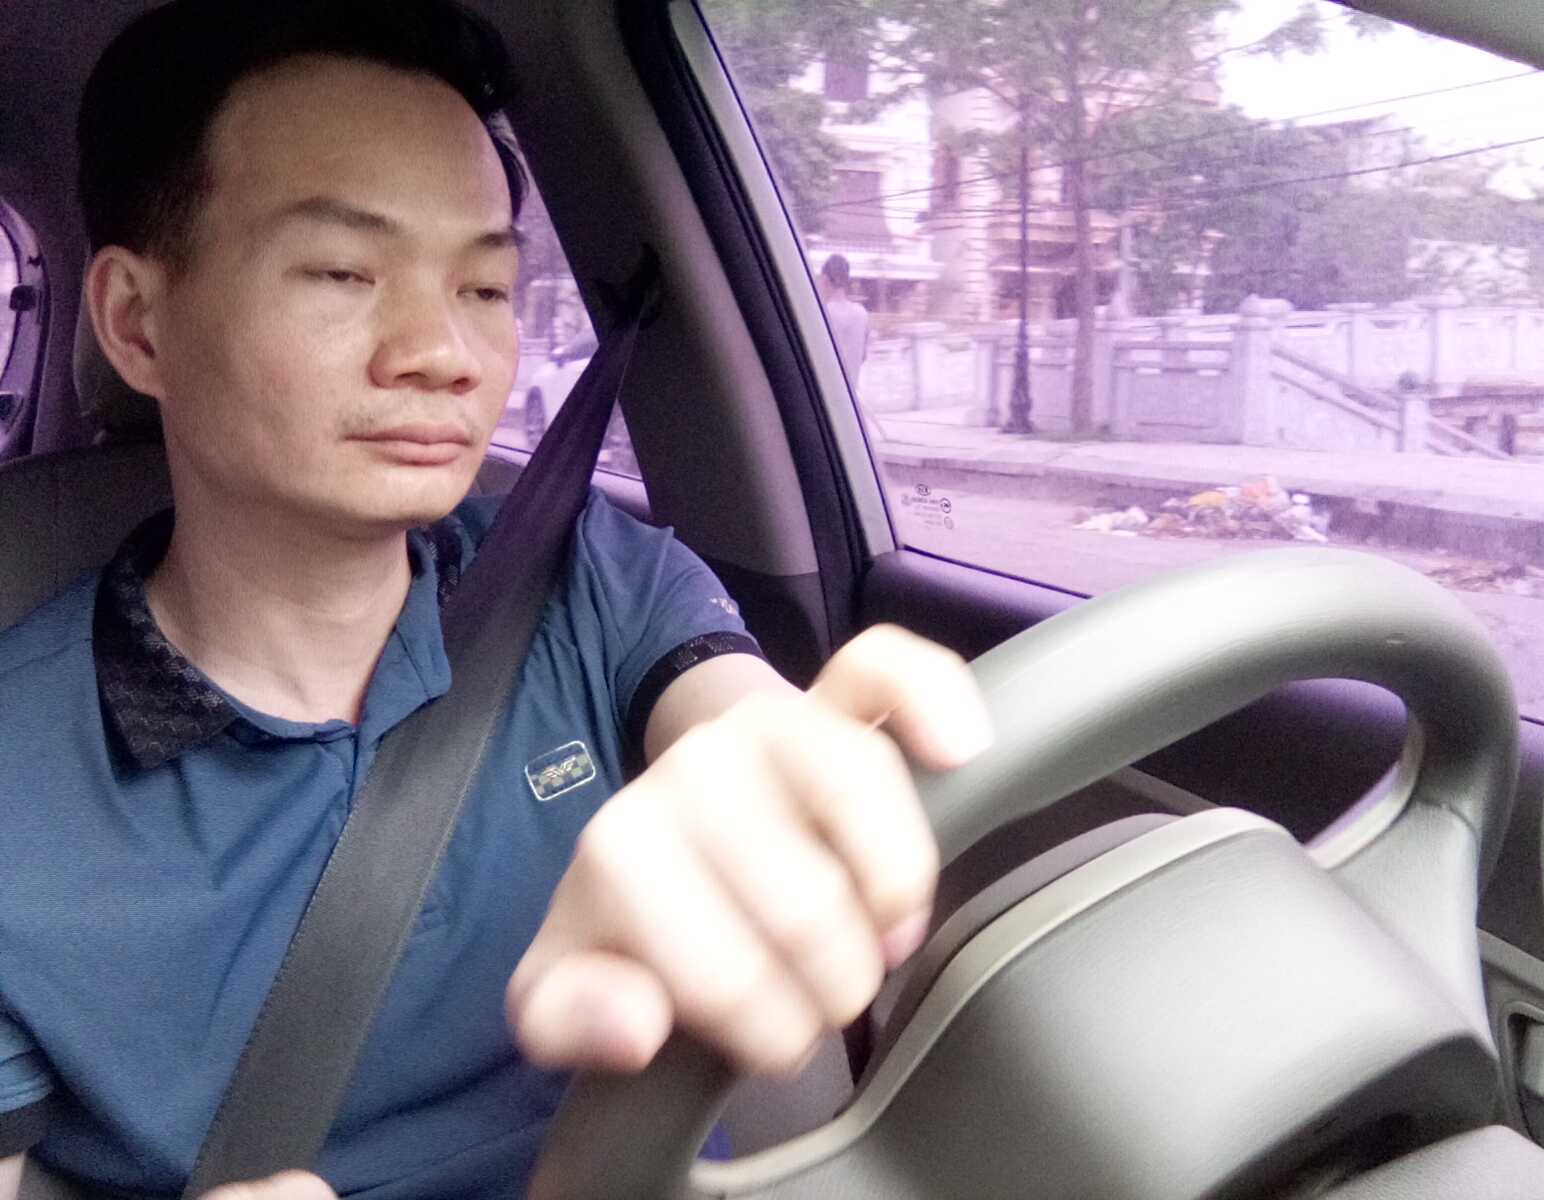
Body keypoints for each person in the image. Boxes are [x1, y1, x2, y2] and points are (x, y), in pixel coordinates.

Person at [0, 3, 989, 1199]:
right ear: (136, 322)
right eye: (343, 273)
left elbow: (735, 718)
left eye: (484, 287)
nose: (445, 353)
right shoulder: (18, 776)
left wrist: (790, 779)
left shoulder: (583, 571)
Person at [817, 253, 870, 393]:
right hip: (849, 397)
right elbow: (864, 356)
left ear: (825, 280)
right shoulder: (862, 314)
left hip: (824, 395)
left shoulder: (821, 314)